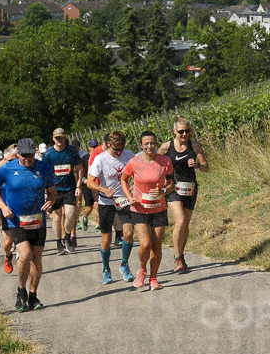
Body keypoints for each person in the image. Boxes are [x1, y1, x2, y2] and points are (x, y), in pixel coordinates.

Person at [0, 138, 57, 312]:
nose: (28, 159)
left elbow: (52, 192)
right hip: (16, 219)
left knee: (36, 258)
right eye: (24, 155)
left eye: (31, 155)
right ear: (17, 153)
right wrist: (3, 207)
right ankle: (21, 292)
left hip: (37, 219)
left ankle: (33, 296)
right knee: (25, 255)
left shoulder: (45, 168)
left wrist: (51, 201)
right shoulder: (7, 168)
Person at [120, 131, 174, 291]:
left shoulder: (165, 161)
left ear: (156, 144)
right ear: (141, 145)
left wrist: (164, 190)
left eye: (152, 143)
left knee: (157, 245)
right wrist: (129, 196)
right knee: (145, 243)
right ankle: (142, 270)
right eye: (146, 144)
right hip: (139, 209)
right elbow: (124, 179)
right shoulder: (134, 162)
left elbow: (171, 182)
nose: (149, 146)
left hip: (159, 208)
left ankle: (153, 279)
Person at [158, 116, 209, 273]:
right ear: (174, 131)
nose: (185, 134)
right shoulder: (166, 147)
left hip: (190, 188)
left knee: (185, 224)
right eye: (181, 131)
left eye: (188, 131)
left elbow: (206, 167)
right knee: (180, 221)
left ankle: (181, 255)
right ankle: (177, 258)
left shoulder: (195, 146)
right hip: (173, 188)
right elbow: (156, 165)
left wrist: (197, 165)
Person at [87, 131, 136, 285]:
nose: (119, 152)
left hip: (124, 201)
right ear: (109, 144)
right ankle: (106, 269)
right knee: (106, 239)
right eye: (116, 149)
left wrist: (134, 186)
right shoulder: (100, 159)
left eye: (121, 148)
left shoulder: (129, 155)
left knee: (128, 234)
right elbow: (89, 182)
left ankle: (124, 265)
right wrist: (103, 189)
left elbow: (137, 173)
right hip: (106, 202)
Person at [41, 128, 83, 255]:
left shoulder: (71, 151)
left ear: (65, 137)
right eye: (57, 138)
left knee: (70, 213)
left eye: (61, 137)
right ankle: (58, 243)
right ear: (53, 139)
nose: (59, 140)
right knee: (57, 216)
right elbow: (44, 174)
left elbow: (79, 169)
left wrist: (78, 186)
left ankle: (68, 237)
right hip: (54, 189)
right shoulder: (48, 154)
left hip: (70, 188)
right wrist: (45, 192)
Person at [0, 145, 19, 274]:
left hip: (22, 211)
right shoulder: (1, 175)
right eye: (9, 161)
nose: (12, 163)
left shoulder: (22, 172)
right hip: (6, 212)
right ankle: (8, 256)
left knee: (23, 242)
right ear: (4, 161)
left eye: (14, 160)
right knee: (8, 242)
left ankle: (23, 261)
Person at [80, 138, 99, 233]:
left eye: (95, 147)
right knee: (89, 207)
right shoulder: (84, 158)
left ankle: (98, 225)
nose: (94, 149)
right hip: (87, 184)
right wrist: (84, 179)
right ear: (89, 147)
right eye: (92, 147)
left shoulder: (100, 157)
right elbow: (80, 172)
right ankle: (85, 216)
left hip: (97, 184)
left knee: (97, 204)